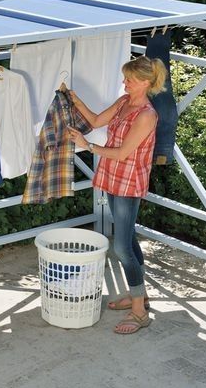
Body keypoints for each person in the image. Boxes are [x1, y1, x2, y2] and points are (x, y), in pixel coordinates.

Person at [67, 55, 167, 335]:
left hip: (128, 181)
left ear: (145, 83)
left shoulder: (146, 114)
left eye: (130, 80)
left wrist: (87, 146)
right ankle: (140, 295)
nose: (124, 82)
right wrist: (74, 99)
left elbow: (124, 154)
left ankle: (139, 313)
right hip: (113, 178)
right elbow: (98, 120)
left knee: (122, 247)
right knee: (128, 238)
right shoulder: (125, 102)